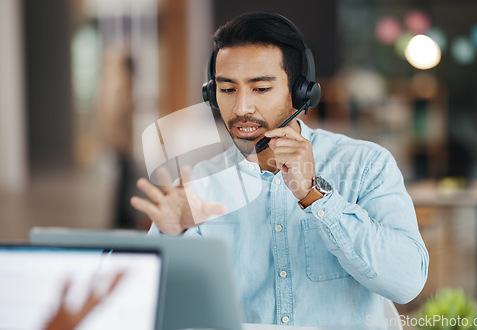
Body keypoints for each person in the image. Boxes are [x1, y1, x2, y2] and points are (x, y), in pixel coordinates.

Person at [130, 12, 428, 328]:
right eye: (228, 89)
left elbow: (406, 282)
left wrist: (316, 196)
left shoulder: (366, 165)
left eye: (260, 89)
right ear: (211, 94)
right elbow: (149, 310)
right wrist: (171, 237)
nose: (242, 107)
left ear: (300, 93)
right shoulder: (197, 186)